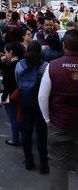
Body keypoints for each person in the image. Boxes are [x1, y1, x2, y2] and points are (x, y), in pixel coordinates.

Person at [38, 29, 78, 189]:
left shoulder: (52, 67)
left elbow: (42, 97)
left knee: (58, 164)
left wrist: (47, 119)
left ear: (64, 46)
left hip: (60, 123)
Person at [15, 41, 49, 174]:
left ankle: (28, 160)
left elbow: (17, 81)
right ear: (40, 52)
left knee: (26, 132)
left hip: (24, 101)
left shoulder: (20, 65)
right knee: (41, 134)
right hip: (40, 103)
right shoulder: (45, 66)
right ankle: (44, 163)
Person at [1, 42, 25, 147]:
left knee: (13, 117)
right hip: (23, 93)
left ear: (11, 52)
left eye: (6, 52)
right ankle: (23, 135)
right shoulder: (23, 62)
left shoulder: (11, 65)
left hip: (12, 95)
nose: (5, 54)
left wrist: (3, 97)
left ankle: (15, 139)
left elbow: (7, 84)